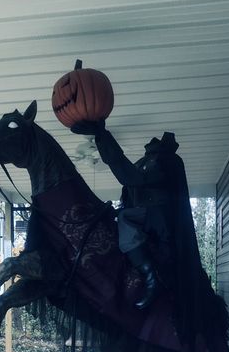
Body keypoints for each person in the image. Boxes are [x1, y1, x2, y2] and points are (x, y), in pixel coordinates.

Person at [71, 120, 193, 310]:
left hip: (160, 219)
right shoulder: (148, 161)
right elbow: (130, 191)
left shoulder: (165, 160)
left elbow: (132, 178)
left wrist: (102, 135)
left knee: (125, 219)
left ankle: (153, 278)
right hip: (147, 215)